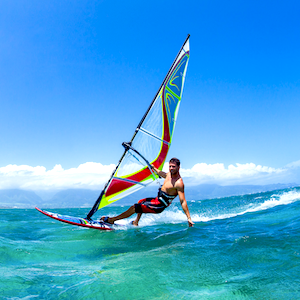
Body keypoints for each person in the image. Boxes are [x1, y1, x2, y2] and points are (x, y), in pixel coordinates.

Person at [101, 158, 194, 227]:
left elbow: (183, 201)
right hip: (156, 200)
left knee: (135, 208)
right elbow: (162, 174)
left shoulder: (179, 183)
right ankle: (135, 222)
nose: (171, 168)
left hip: (159, 206)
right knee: (140, 201)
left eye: (173, 167)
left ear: (179, 167)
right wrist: (154, 168)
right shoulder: (169, 174)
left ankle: (111, 220)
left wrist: (188, 218)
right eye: (170, 166)